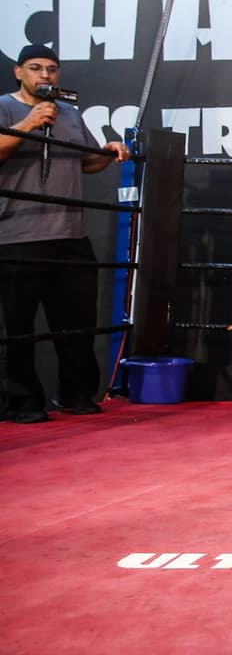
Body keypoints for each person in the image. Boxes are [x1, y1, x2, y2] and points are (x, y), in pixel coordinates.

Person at [0, 44, 131, 423]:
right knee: (18, 329)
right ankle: (22, 402)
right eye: (36, 68)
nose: (45, 75)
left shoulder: (69, 114)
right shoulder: (6, 108)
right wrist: (28, 123)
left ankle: (75, 394)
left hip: (69, 234)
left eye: (52, 69)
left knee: (77, 324)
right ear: (18, 72)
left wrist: (107, 152)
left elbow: (85, 162)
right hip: (17, 235)